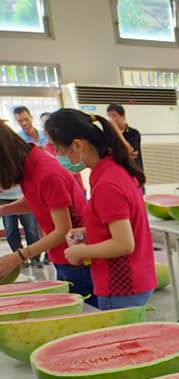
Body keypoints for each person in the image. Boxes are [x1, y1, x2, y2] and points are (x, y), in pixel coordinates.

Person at [44, 109, 156, 309]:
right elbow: (122, 226)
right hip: (136, 278)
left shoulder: (107, 184)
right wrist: (90, 232)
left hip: (122, 286)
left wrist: (81, 252)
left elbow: (123, 243)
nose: (57, 155)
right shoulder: (115, 171)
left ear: (77, 145)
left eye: (57, 148)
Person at [0, 122, 92, 298]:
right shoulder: (29, 164)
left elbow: (63, 230)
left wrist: (18, 256)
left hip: (78, 258)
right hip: (62, 254)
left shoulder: (47, 173)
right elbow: (38, 200)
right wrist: (3, 209)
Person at [106, 103, 143, 171]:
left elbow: (131, 151)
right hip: (116, 171)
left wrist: (116, 130)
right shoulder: (108, 135)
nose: (111, 119)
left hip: (133, 171)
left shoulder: (133, 133)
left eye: (114, 116)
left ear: (123, 116)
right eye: (109, 116)